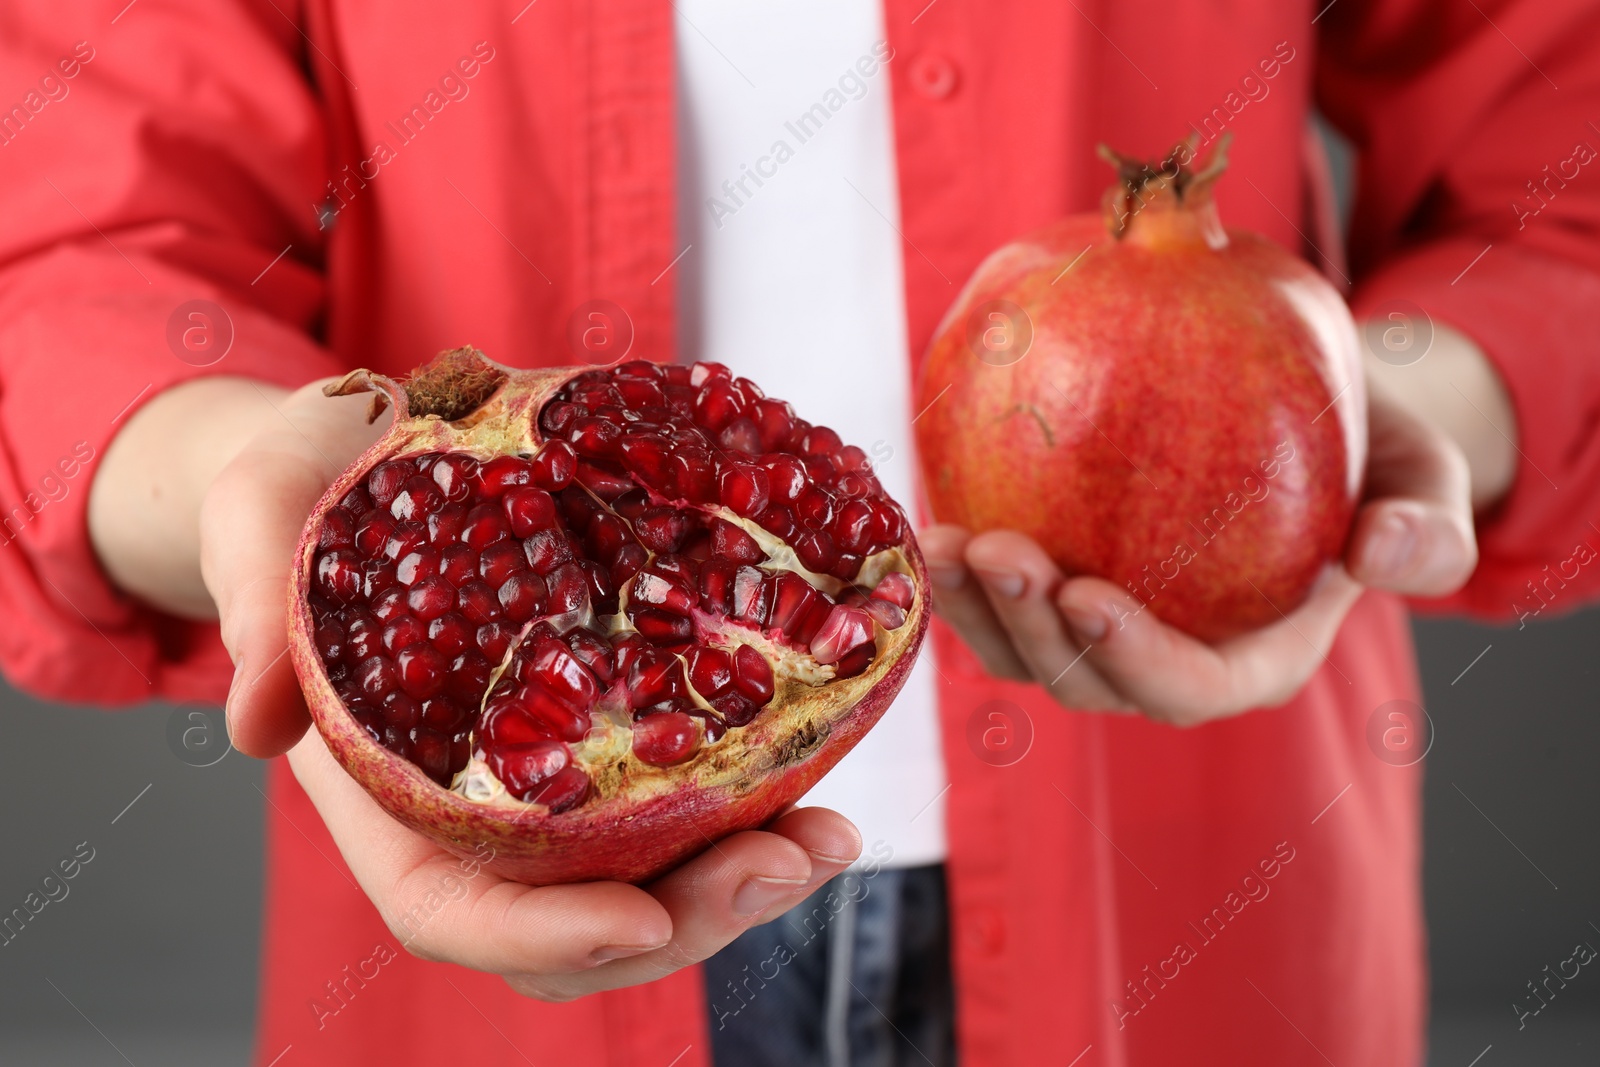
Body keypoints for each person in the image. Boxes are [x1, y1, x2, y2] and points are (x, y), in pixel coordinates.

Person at [1, 0, 1596, 1064]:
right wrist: (240, 488)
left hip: (1184, 887)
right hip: (489, 980)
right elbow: (78, 244)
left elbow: (1565, 152)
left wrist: (1384, 418)